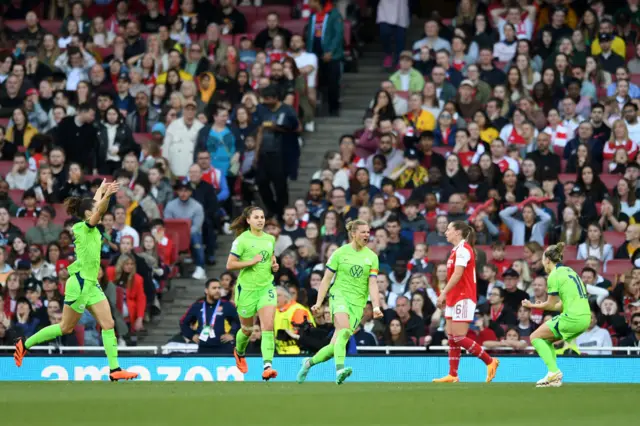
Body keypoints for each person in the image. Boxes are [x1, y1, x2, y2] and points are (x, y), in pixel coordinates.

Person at [13, 180, 138, 381]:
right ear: (89, 214)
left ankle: (114, 370)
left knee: (108, 324)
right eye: (95, 210)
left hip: (92, 284)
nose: (100, 213)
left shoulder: (90, 222)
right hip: (79, 284)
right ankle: (24, 344)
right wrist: (107, 197)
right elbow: (99, 211)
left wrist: (100, 191)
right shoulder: (83, 227)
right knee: (66, 327)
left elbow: (94, 207)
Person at [297, 219, 383, 385]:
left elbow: (372, 283)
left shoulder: (372, 257)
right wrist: (319, 302)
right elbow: (326, 279)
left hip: (358, 303)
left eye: (368, 232)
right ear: (353, 234)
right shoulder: (340, 253)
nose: (367, 235)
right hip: (339, 296)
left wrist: (376, 306)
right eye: (363, 232)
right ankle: (340, 370)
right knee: (343, 330)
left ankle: (308, 364)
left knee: (334, 346)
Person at [433, 221, 500, 383]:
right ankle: (453, 374)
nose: (446, 232)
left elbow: (457, 275)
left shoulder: (463, 250)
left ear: (457, 232)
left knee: (458, 337)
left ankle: (490, 361)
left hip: (463, 297)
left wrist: (443, 293)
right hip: (454, 298)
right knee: (451, 337)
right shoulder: (455, 250)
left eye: (449, 229)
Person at [522, 243, 591, 387]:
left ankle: (553, 372)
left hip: (572, 318)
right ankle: (554, 377)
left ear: (547, 260)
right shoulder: (569, 271)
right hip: (585, 318)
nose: (543, 264)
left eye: (542, 260)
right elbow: (559, 305)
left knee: (534, 337)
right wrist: (544, 304)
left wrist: (532, 305)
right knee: (546, 340)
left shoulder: (554, 276)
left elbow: (550, 305)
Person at [226, 206, 279, 381]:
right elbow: (230, 265)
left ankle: (267, 366)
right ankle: (239, 352)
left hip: (266, 288)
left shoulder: (270, 239)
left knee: (267, 326)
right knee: (247, 330)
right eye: (256, 217)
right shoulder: (242, 240)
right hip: (247, 290)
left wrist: (274, 265)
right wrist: (251, 261)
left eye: (262, 217)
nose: (260, 220)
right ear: (248, 220)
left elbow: (270, 257)